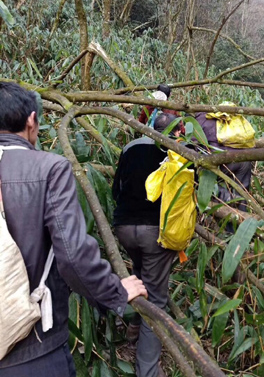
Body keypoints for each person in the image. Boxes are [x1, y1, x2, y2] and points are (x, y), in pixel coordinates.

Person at [0, 82, 147, 377]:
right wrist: (116, 292)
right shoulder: (48, 168)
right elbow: (74, 255)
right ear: (31, 119)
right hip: (32, 347)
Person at [112, 112, 180, 377]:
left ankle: (133, 330)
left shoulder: (131, 147)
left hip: (125, 229)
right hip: (156, 234)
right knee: (156, 299)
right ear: (175, 132)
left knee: (141, 278)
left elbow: (116, 189)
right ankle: (148, 371)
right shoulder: (177, 152)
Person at [195, 111, 255, 208]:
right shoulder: (225, 118)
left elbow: (194, 148)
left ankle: (226, 198)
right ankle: (242, 217)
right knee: (241, 195)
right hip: (244, 160)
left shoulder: (197, 122)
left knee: (205, 180)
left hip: (222, 161)